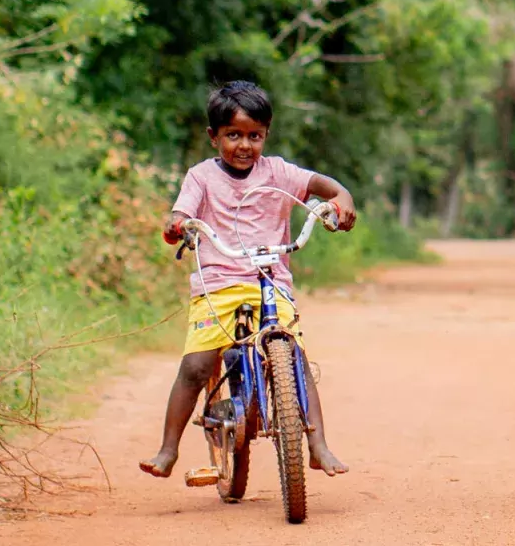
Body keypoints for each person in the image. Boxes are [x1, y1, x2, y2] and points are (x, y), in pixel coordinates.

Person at [140, 80, 356, 482]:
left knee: (295, 356)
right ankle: (168, 448)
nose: (244, 145)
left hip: (270, 281)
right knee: (197, 365)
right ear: (213, 137)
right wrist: (176, 225)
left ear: (266, 135)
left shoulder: (277, 172)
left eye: (254, 136)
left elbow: (320, 185)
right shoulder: (201, 177)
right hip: (218, 283)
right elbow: (180, 213)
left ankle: (318, 444)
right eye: (233, 135)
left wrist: (342, 198)